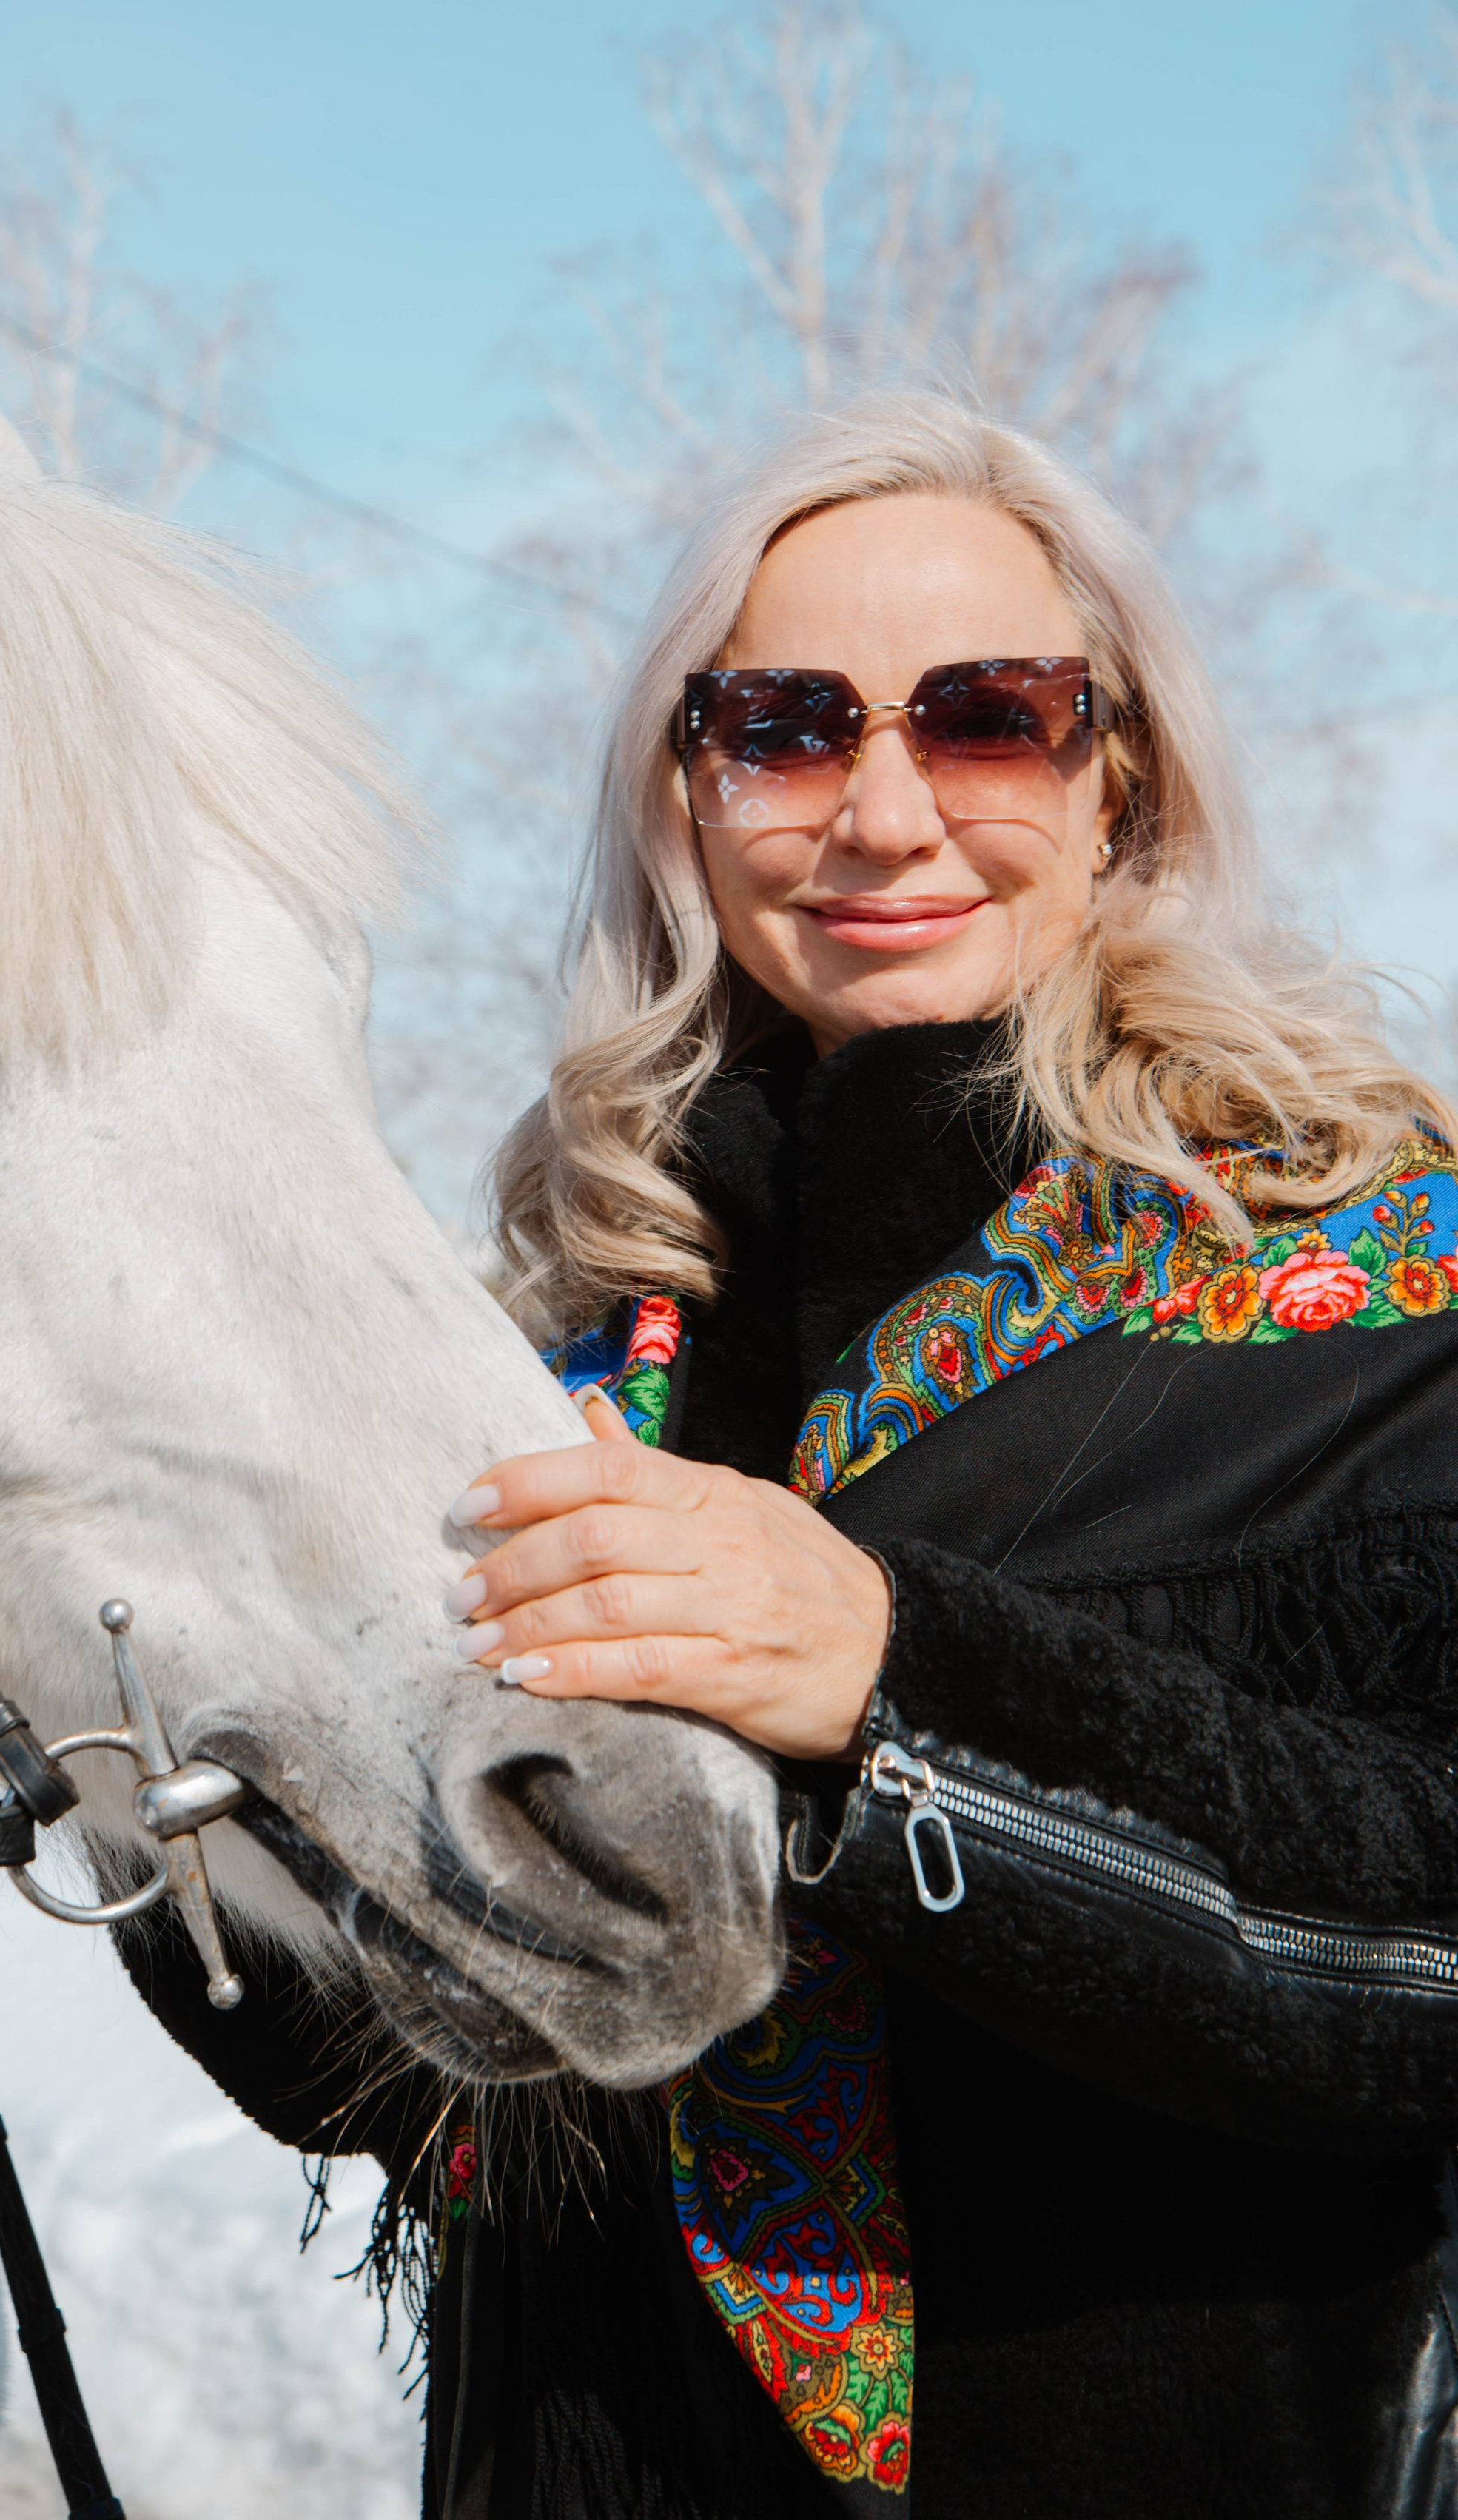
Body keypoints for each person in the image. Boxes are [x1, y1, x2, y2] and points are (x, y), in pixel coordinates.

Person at [124, 392, 1458, 2520]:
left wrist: (896, 1688)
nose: (888, 806)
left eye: (994, 714)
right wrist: (167, 1740)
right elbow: (402, 2092)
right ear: (687, 787)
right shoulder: (551, 1346)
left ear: (1124, 774)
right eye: (789, 723)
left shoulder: (1381, 1280)